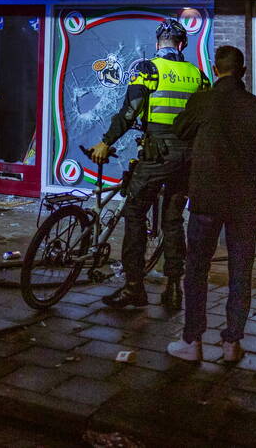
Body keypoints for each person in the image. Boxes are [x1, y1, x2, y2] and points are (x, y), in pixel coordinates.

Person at [165, 46, 256, 363]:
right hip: (244, 202)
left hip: (206, 198)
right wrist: (254, 182)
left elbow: (180, 130)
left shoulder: (203, 100)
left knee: (197, 269)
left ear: (215, 70)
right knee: (241, 271)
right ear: (243, 71)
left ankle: (192, 340)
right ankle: (232, 342)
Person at [87, 19, 210, 309]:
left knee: (134, 212)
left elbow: (131, 111)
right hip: (187, 157)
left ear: (158, 43)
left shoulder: (148, 69)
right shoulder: (198, 75)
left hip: (156, 154)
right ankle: (173, 289)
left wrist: (106, 141)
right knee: (173, 221)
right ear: (183, 44)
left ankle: (133, 288)